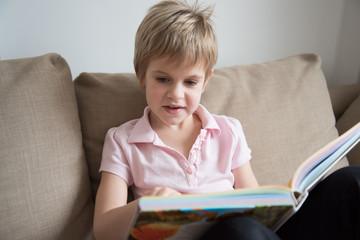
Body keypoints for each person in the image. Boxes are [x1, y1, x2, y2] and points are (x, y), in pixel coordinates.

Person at [93, 1, 360, 239]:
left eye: (190, 82)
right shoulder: (123, 140)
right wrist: (144, 205)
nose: (176, 94)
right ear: (141, 75)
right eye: (163, 79)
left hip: (253, 231)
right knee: (241, 231)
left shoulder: (227, 130)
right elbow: (103, 228)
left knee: (351, 181)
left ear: (205, 81)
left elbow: (255, 202)